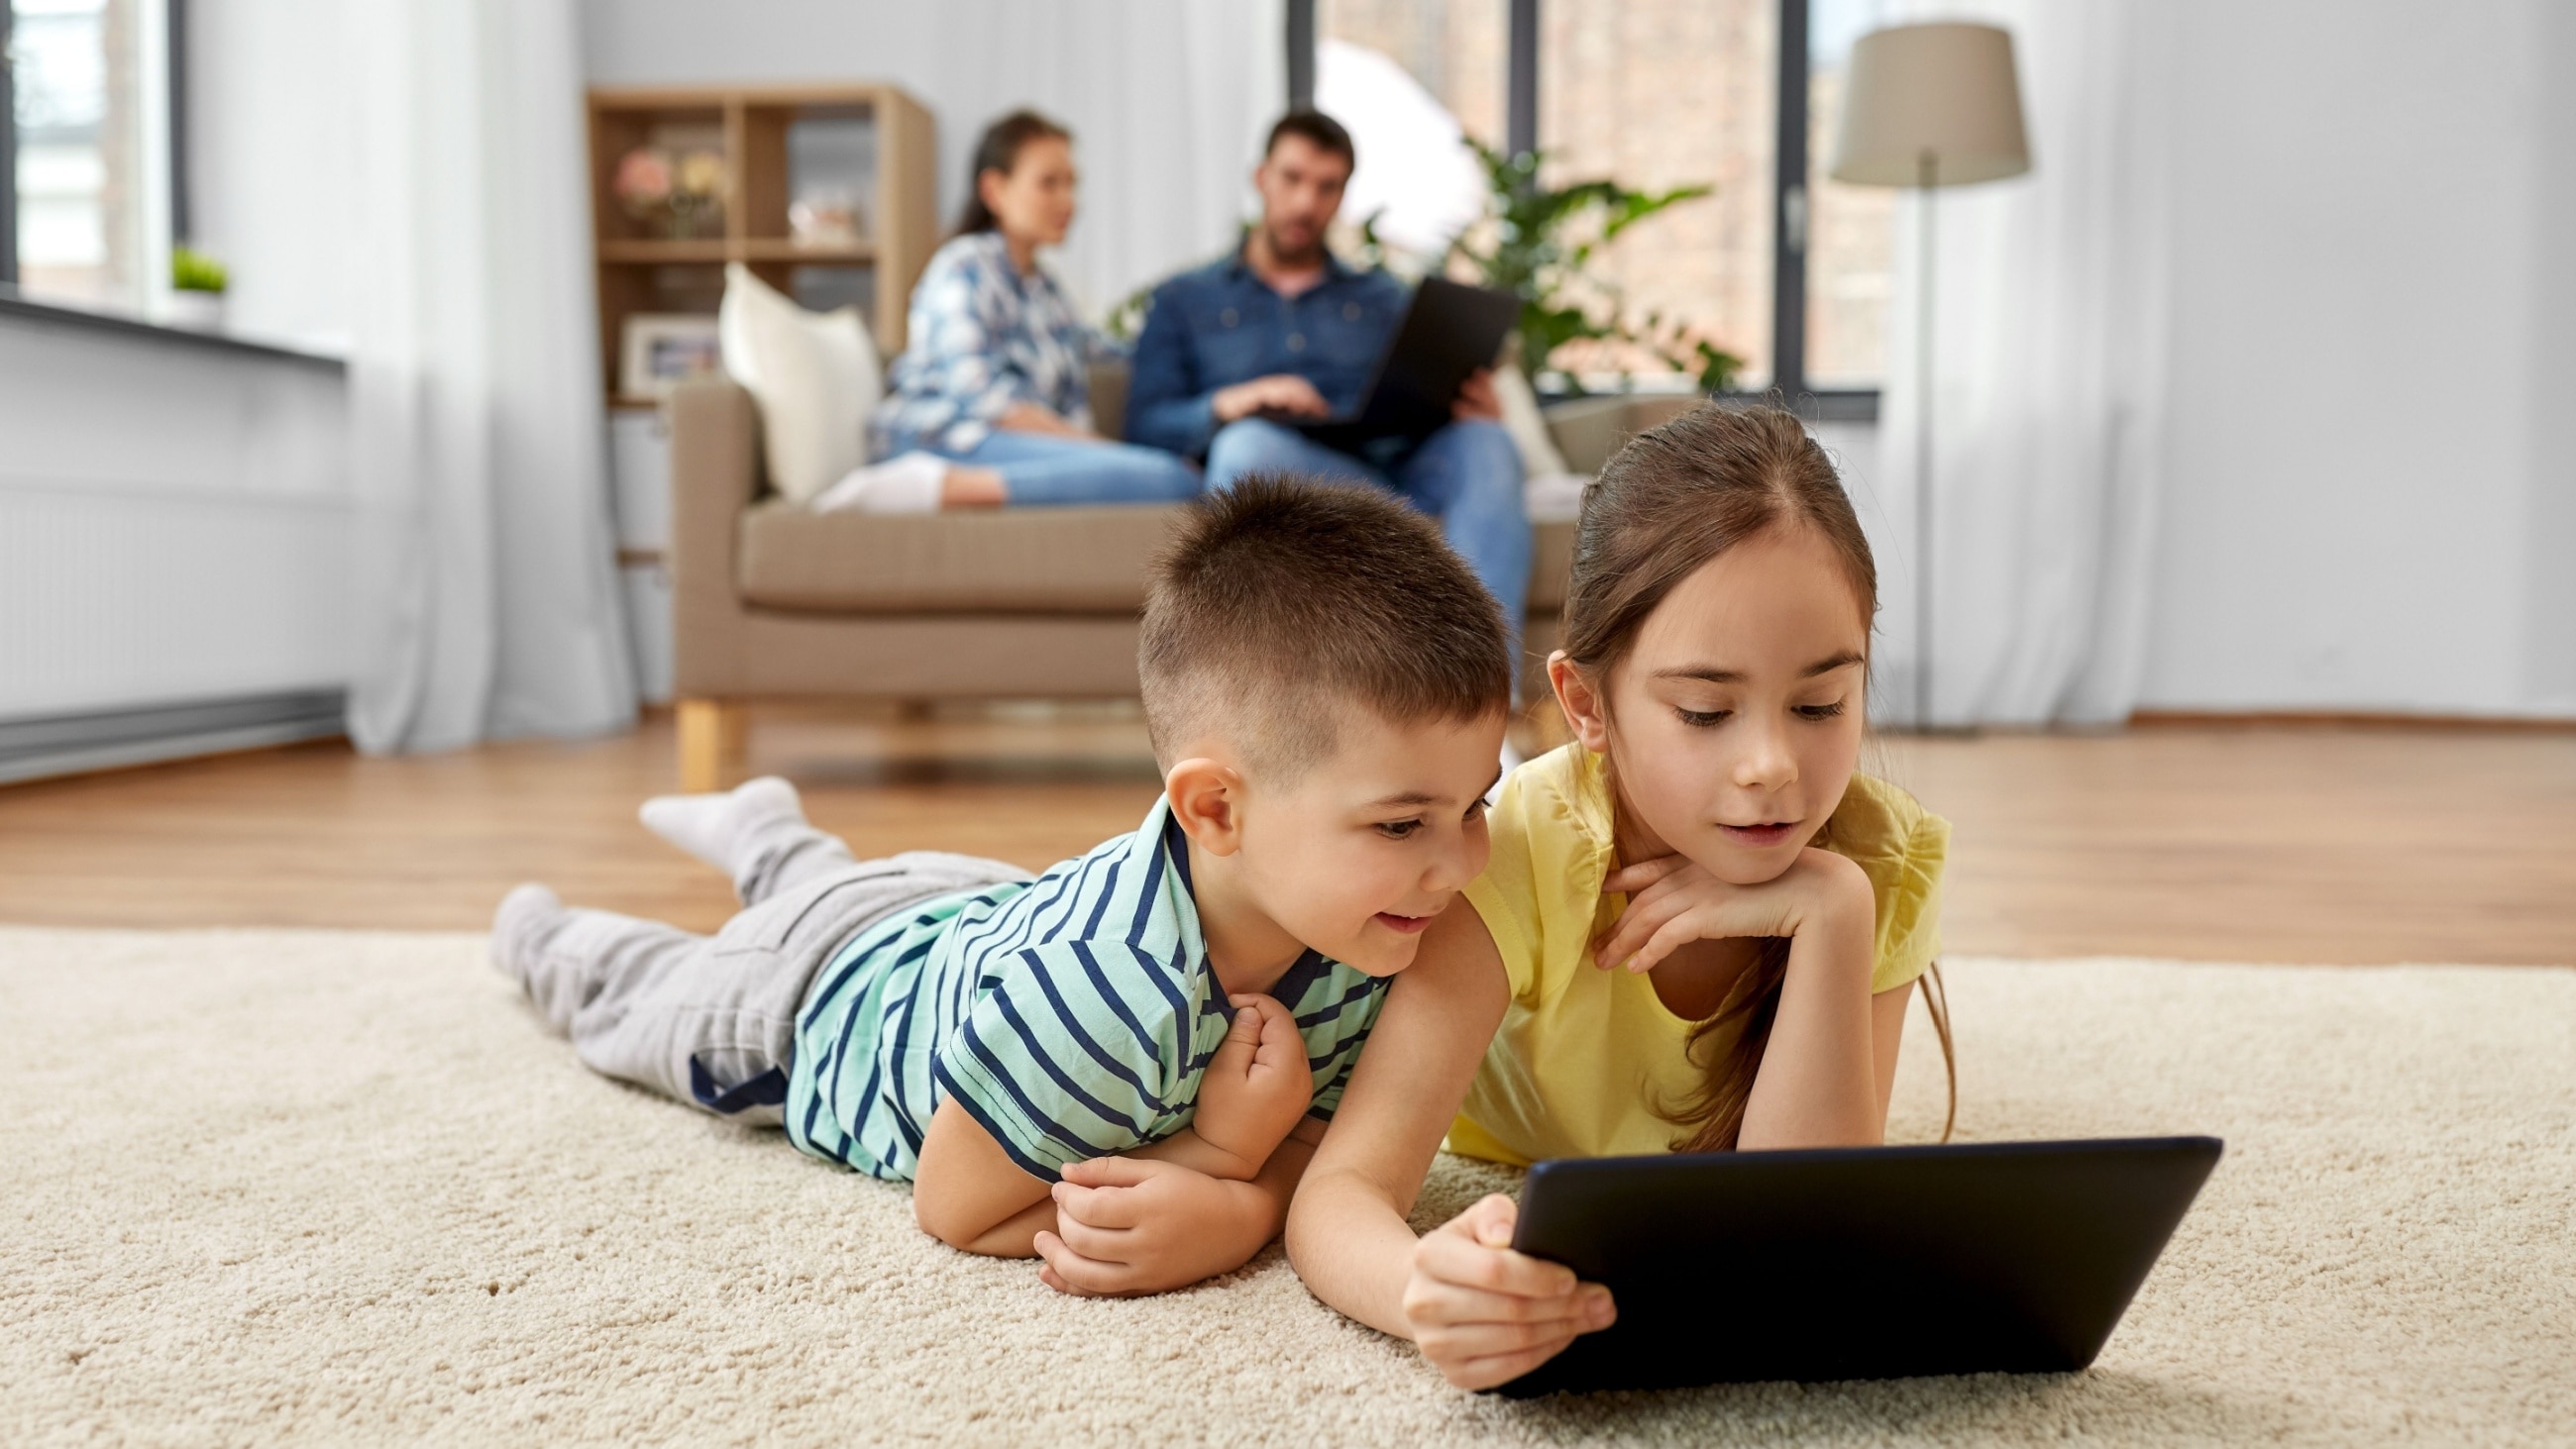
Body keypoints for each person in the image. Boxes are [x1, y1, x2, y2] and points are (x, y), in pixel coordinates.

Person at [488, 477, 1511, 1292]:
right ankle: (540, 933)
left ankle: (770, 837)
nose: (1462, 862)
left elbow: (1327, 1143)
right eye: (1400, 823)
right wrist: (1218, 1166)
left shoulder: (1365, 928)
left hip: (961, 908)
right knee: (634, 997)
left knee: (838, 889)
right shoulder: (1100, 998)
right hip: (805, 997)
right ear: (1213, 811)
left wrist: (1248, 1178)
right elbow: (954, 1205)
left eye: (1475, 805)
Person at [1150, 405, 1951, 1386]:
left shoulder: (1876, 858)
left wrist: (1830, 911)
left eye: (1820, 703)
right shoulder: (1514, 849)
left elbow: (1804, 1228)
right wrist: (1420, 1287)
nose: (1771, 766)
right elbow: (1341, 1191)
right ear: (1584, 704)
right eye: (1705, 711)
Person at [1123, 109, 1533, 674]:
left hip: (1382, 476)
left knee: (1489, 443)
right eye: (1292, 179)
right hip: (1279, 470)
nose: (1306, 203)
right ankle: (1257, 691)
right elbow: (1144, 423)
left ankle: (1483, 694)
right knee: (1246, 447)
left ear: (1342, 195)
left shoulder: (1381, 299)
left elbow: (1418, 402)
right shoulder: (1183, 300)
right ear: (1262, 178)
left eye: (1327, 187)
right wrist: (1229, 404)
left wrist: (1469, 407)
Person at [819, 110, 1200, 514]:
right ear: (994, 190)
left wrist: (1190, 346)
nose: (1068, 201)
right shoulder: (962, 267)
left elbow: (1113, 353)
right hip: (944, 438)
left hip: (1003, 445)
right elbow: (985, 400)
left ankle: (965, 487)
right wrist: (1100, 451)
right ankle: (928, 487)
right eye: (1049, 183)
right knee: (1170, 479)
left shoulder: (1047, 291)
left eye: (1072, 184)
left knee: (1171, 475)